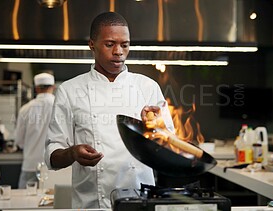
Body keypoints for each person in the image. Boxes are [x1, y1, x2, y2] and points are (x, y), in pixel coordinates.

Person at [44, 12, 174, 208]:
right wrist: (72, 153)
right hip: (92, 205)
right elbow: (52, 154)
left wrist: (157, 130)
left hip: (141, 203)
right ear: (92, 44)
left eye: (124, 45)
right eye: (110, 44)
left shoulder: (147, 88)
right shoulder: (70, 90)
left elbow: (170, 150)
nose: (118, 52)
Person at [15, 72, 56, 189]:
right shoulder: (61, 106)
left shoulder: (25, 109)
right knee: (53, 204)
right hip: (54, 165)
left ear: (37, 88)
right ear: (53, 87)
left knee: (25, 201)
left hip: (30, 164)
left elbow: (19, 140)